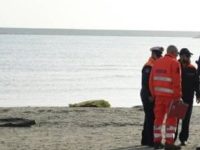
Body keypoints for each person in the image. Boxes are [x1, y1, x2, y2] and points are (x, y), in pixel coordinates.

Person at [149, 45, 182, 150]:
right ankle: (169, 142)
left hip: (159, 96)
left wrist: (154, 94)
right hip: (171, 97)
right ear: (173, 52)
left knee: (158, 119)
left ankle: (157, 141)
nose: (177, 56)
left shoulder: (157, 62)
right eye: (177, 54)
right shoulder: (174, 63)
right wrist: (178, 97)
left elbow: (151, 80)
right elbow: (177, 82)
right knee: (171, 120)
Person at [140, 46, 164, 147]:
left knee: (149, 117)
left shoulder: (155, 64)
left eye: (160, 55)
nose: (159, 57)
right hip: (148, 94)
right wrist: (150, 95)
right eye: (158, 55)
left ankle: (145, 140)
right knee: (151, 118)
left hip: (152, 94)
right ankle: (150, 141)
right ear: (153, 54)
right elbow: (145, 83)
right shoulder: (149, 66)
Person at [177, 48, 200, 146]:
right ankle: (172, 139)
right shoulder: (175, 66)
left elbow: (196, 83)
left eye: (189, 56)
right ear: (181, 56)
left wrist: (198, 95)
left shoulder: (192, 68)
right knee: (176, 119)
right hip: (178, 97)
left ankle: (183, 139)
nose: (189, 58)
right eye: (187, 56)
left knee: (186, 120)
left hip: (189, 97)